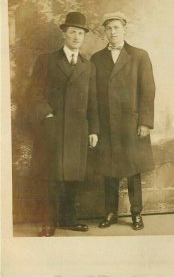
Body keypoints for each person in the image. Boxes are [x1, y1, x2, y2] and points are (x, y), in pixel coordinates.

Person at [28, 12, 99, 236]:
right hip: (53, 128)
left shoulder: (88, 67)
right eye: (72, 32)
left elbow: (93, 101)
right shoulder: (47, 60)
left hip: (78, 130)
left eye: (80, 33)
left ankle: (68, 219)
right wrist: (47, 115)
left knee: (73, 176)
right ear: (64, 34)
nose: (77, 36)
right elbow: (33, 93)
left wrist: (94, 129)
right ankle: (48, 222)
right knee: (51, 176)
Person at [91, 12, 155, 230]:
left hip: (132, 124)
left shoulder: (139, 55)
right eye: (108, 28)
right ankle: (110, 213)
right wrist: (95, 127)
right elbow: (93, 95)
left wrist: (145, 122)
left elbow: (148, 91)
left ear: (125, 29)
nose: (112, 32)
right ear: (104, 32)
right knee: (109, 169)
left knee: (133, 169)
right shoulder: (97, 59)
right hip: (107, 124)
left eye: (116, 27)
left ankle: (136, 213)